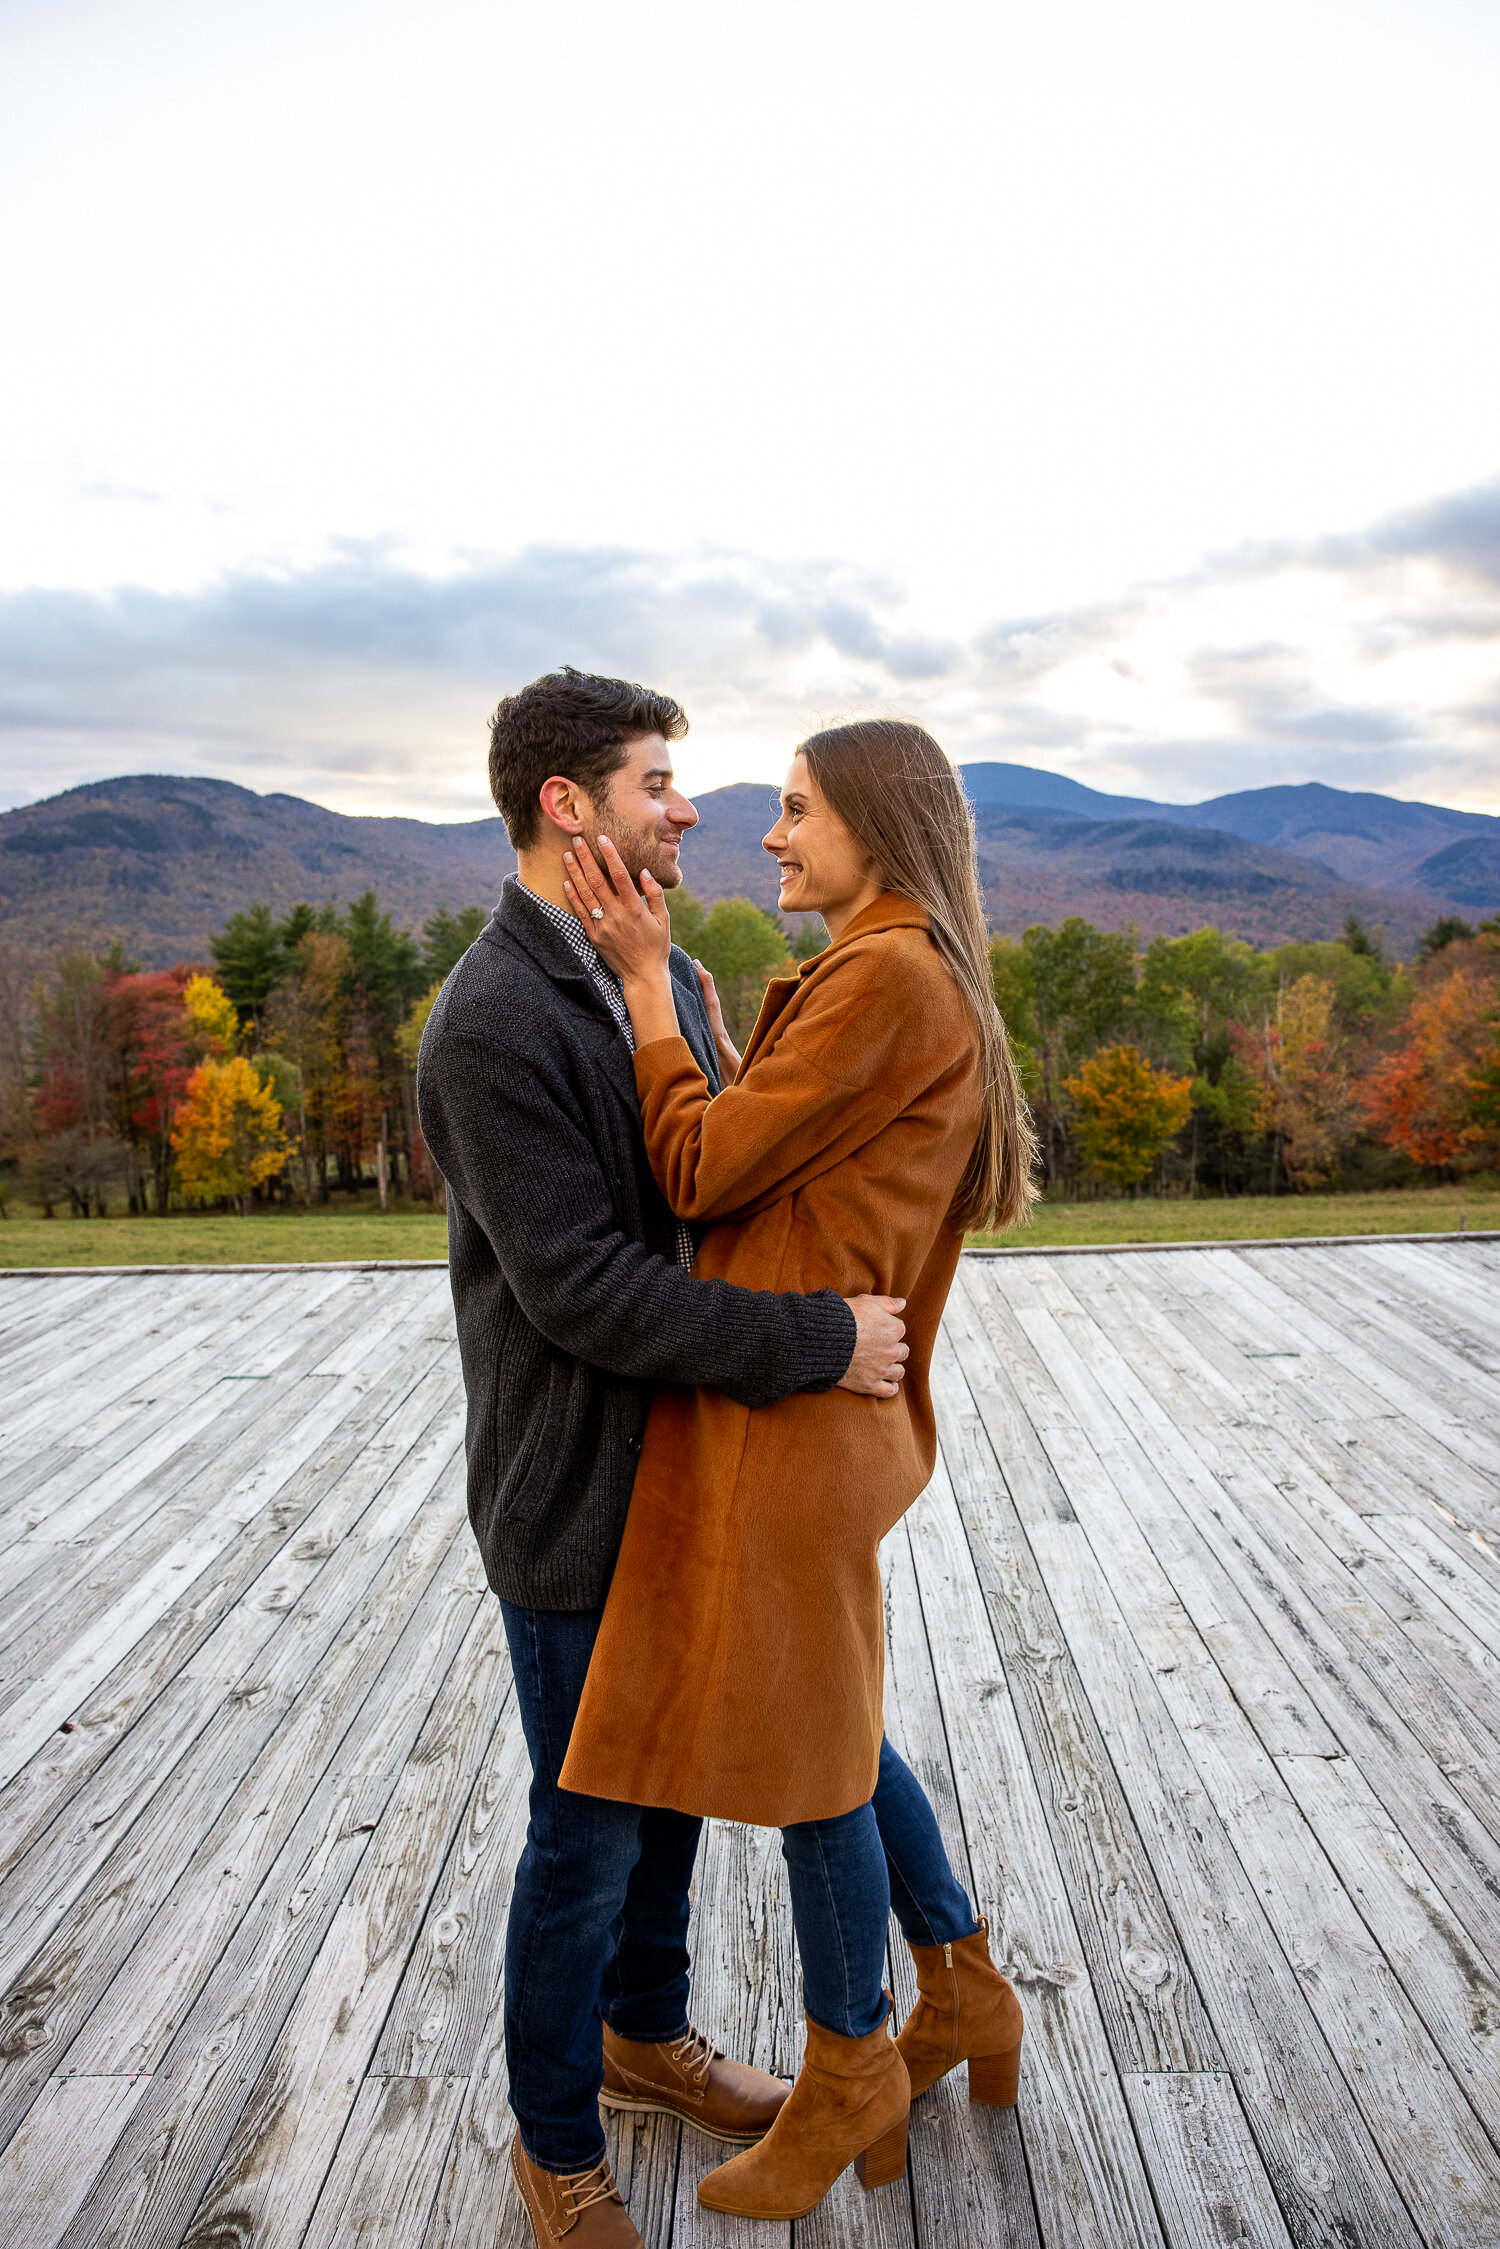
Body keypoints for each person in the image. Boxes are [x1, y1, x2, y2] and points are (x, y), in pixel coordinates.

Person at [416, 669, 913, 2249]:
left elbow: (714, 1184)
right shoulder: (491, 1018)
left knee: (676, 1796)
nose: (686, 809)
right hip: (573, 1489)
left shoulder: (671, 976)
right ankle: (555, 2141)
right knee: (585, 1833)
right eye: (655, 782)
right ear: (570, 808)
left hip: (694, 1477)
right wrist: (820, 1342)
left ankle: (650, 2033)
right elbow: (582, 1288)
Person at [557, 716, 1038, 2223]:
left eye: (794, 808)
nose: (769, 835)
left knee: (813, 1755)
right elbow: (787, 1154)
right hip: (816, 1406)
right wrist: (706, 1026)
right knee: (835, 1723)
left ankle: (851, 2071)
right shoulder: (892, 968)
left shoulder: (886, 976)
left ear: (873, 823)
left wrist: (643, 991)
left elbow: (702, 1170)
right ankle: (958, 1985)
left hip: (798, 1407)